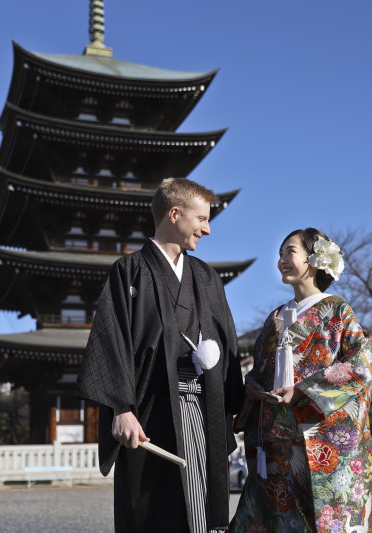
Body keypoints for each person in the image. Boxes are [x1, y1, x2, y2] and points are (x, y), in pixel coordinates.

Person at [76, 178, 244, 533]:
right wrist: (121, 408)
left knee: (203, 511)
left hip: (203, 409)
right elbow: (112, 339)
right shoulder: (130, 270)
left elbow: (228, 346)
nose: (208, 229)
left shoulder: (207, 278)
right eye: (201, 219)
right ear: (174, 214)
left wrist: (240, 404)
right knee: (151, 511)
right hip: (148, 414)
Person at [228, 228, 372, 533]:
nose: (281, 260)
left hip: (319, 437)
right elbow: (261, 368)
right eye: (279, 254)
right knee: (274, 519)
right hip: (275, 439)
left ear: (314, 260)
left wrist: (304, 391)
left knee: (323, 520)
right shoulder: (275, 317)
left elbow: (361, 365)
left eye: (289, 251)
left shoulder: (337, 310)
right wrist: (250, 384)